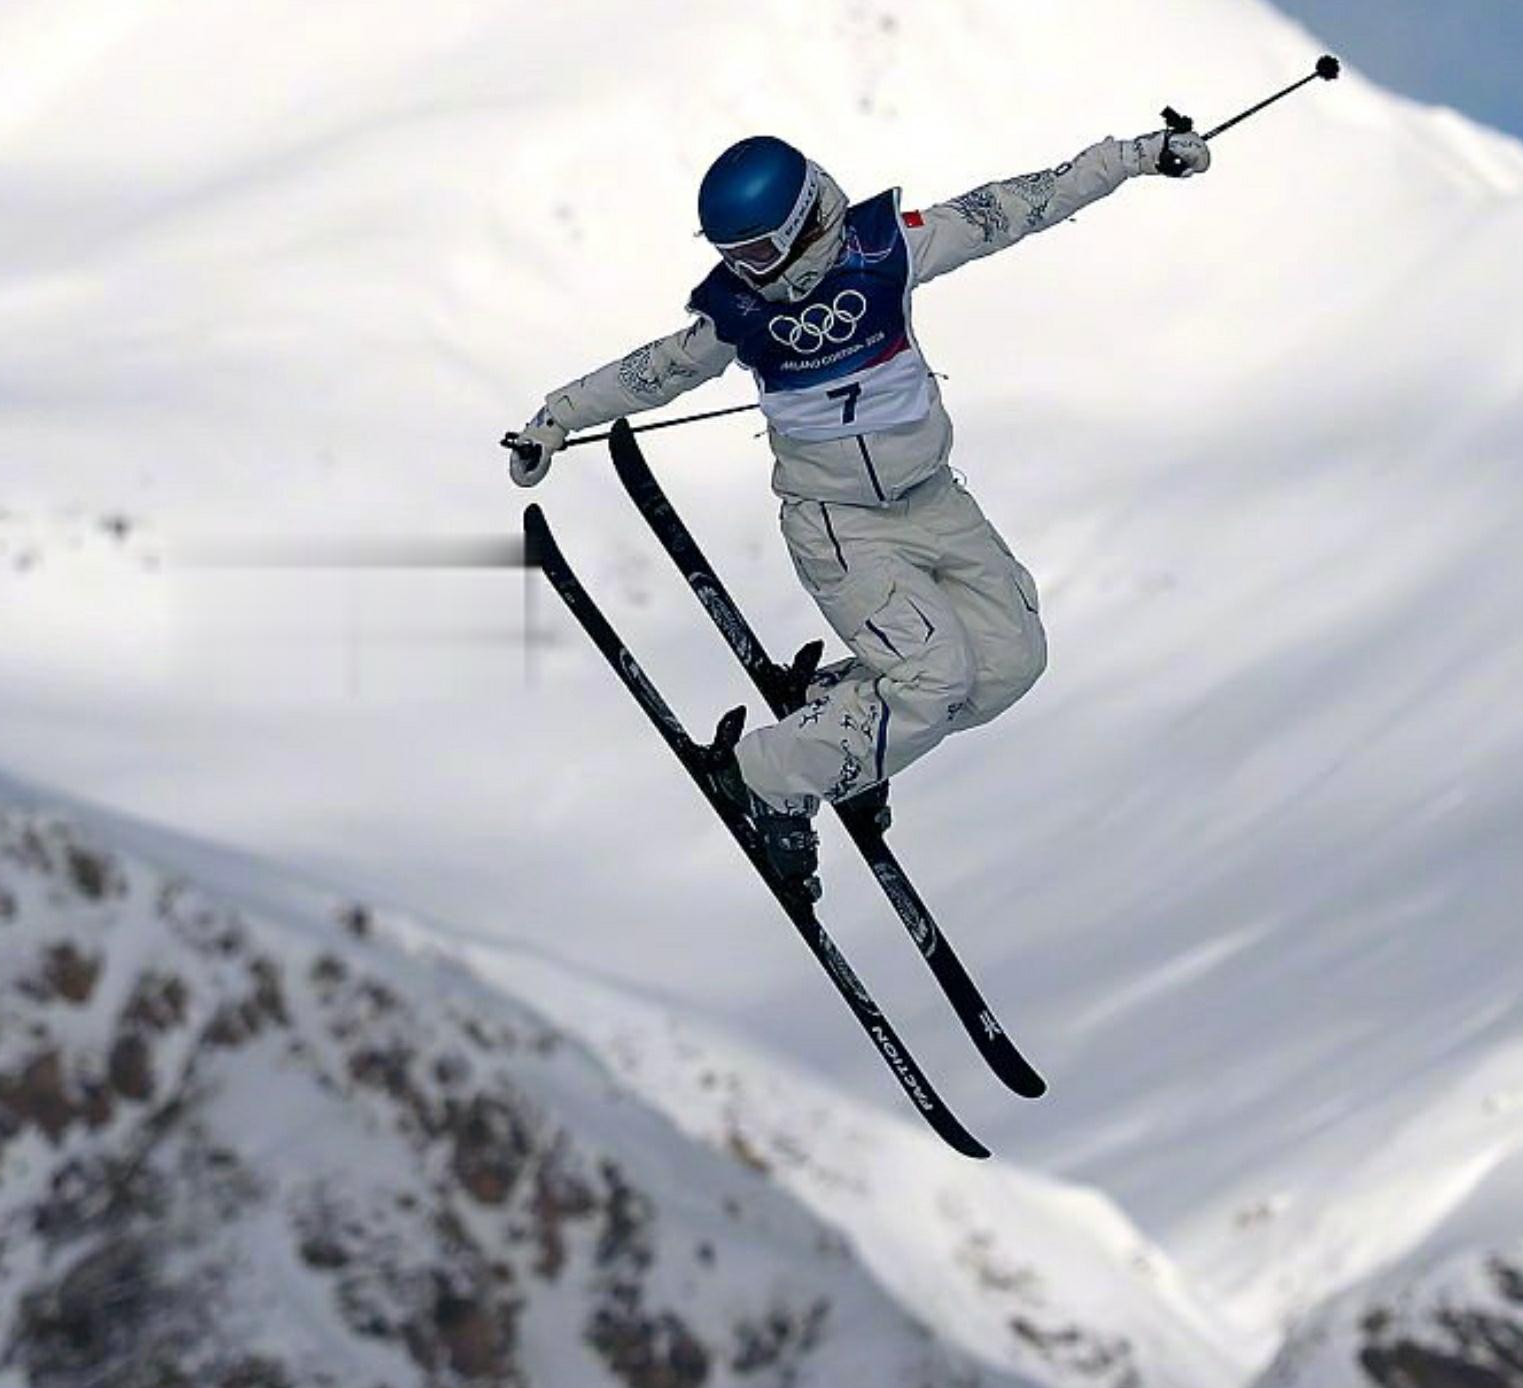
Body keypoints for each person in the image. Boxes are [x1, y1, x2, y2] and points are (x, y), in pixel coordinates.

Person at [506, 120, 1208, 876]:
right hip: (840, 525)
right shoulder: (740, 312)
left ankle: (839, 721)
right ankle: (766, 778)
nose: (747, 272)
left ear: (801, 223)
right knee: (934, 680)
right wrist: (556, 419)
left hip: (934, 500)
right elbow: (657, 370)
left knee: (1010, 663)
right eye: (730, 257)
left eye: (758, 253)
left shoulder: (888, 249)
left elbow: (1012, 207)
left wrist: (1134, 157)